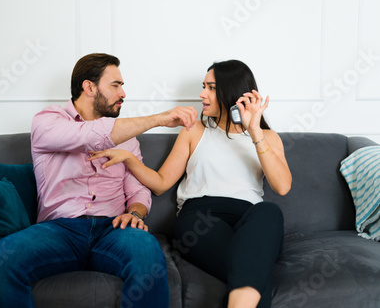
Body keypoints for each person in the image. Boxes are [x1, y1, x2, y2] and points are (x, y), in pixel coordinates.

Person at [0, 53, 198, 308]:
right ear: (89, 87)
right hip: (60, 229)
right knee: (2, 258)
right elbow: (89, 136)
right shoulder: (47, 121)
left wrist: (136, 214)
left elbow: (138, 190)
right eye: (115, 85)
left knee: (148, 254)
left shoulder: (128, 139)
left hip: (113, 229)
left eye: (122, 85)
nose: (123, 93)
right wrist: (158, 119)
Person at [88, 59, 292, 308]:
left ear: (231, 91)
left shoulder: (267, 137)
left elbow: (282, 186)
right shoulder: (194, 131)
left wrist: (254, 131)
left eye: (211, 87)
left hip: (249, 219)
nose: (202, 94)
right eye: (203, 86)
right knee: (255, 265)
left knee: (269, 211)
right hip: (201, 218)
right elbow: (161, 183)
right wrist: (130, 159)